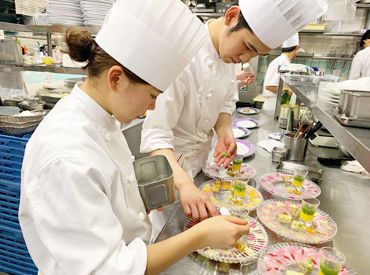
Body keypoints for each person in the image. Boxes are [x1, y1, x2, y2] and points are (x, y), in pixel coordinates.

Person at [18, 1, 252, 274]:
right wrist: (200, 236)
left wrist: (140, 198)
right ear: (116, 78)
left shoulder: (102, 119)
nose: (152, 107)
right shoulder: (64, 155)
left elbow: (108, 189)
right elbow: (108, 269)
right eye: (152, 95)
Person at [141, 0, 327, 221]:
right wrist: (184, 184)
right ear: (231, 17)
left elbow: (225, 103)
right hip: (171, 174)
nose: (245, 58)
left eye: (256, 54)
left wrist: (224, 132)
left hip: (200, 166)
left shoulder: (228, 56)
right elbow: (155, 135)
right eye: (248, 47)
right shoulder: (181, 52)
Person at [262, 33, 299, 111]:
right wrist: (291, 92)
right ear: (296, 48)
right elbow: (270, 86)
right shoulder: (281, 62)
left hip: (278, 104)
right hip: (273, 106)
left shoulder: (285, 62)